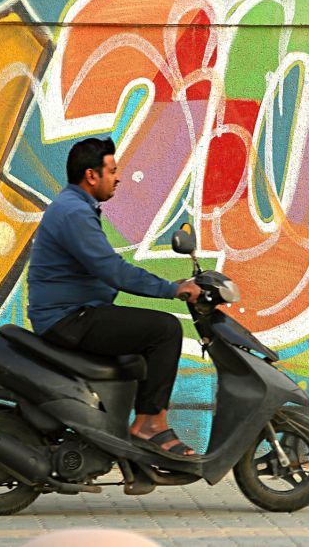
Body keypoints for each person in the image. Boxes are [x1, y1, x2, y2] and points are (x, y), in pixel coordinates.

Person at [27, 137, 202, 457]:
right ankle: (151, 425)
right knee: (165, 330)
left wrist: (169, 285)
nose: (118, 178)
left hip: (75, 314)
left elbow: (106, 268)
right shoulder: (74, 212)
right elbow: (113, 270)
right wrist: (171, 290)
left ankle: (122, 428)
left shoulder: (76, 207)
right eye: (112, 171)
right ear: (91, 175)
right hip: (69, 318)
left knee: (141, 337)